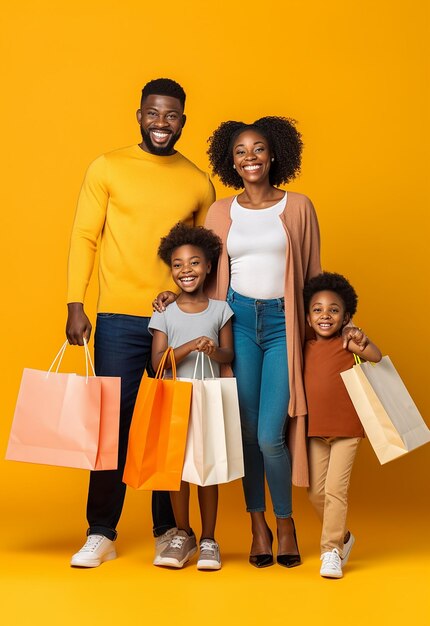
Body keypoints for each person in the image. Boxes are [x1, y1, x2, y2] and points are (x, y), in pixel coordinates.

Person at [66, 78, 215, 568]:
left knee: (165, 426)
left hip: (174, 322)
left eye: (171, 116)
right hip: (117, 318)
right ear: (139, 115)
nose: (161, 123)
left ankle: (168, 530)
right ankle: (101, 531)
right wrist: (75, 303)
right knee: (112, 424)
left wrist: (197, 310)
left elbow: (208, 258)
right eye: (153, 113)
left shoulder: (197, 181)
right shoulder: (107, 166)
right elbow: (86, 235)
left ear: (183, 122)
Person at [149, 222, 234, 570]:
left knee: (207, 469)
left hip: (209, 398)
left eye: (194, 263)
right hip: (174, 398)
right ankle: (183, 534)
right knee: (178, 470)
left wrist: (212, 351)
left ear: (209, 266)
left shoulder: (220, 309)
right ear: (171, 270)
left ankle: (210, 539)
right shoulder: (164, 313)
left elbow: (228, 355)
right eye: (178, 265)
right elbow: (156, 361)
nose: (186, 270)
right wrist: (188, 346)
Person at [303, 271, 382, 578]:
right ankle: (345, 537)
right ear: (308, 318)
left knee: (336, 491)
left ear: (346, 316)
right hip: (314, 431)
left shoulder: (349, 343)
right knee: (315, 493)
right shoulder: (305, 347)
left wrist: (362, 339)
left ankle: (331, 551)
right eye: (317, 310)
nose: (325, 315)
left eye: (334, 310)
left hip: (348, 430)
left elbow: (375, 357)